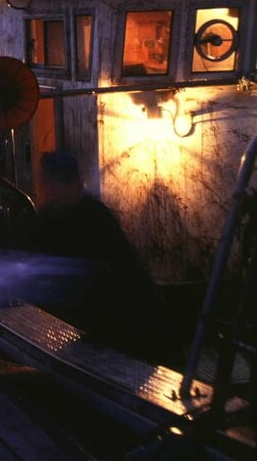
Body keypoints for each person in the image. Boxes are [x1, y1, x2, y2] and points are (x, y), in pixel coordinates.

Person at [34, 151, 182, 364]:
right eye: (44, 184)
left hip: (131, 329)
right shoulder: (50, 216)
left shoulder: (94, 218)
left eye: (50, 184)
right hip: (99, 328)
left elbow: (101, 278)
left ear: (73, 183)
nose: (45, 190)